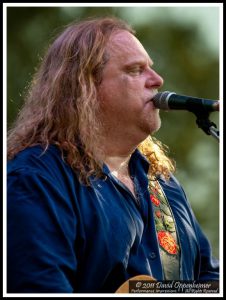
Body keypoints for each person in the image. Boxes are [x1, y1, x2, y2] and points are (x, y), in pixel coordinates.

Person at [7, 17, 219, 293]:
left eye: (151, 69)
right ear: (85, 87)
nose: (157, 80)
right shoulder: (38, 178)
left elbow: (208, 280)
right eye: (135, 70)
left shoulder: (165, 184)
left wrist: (153, 291)